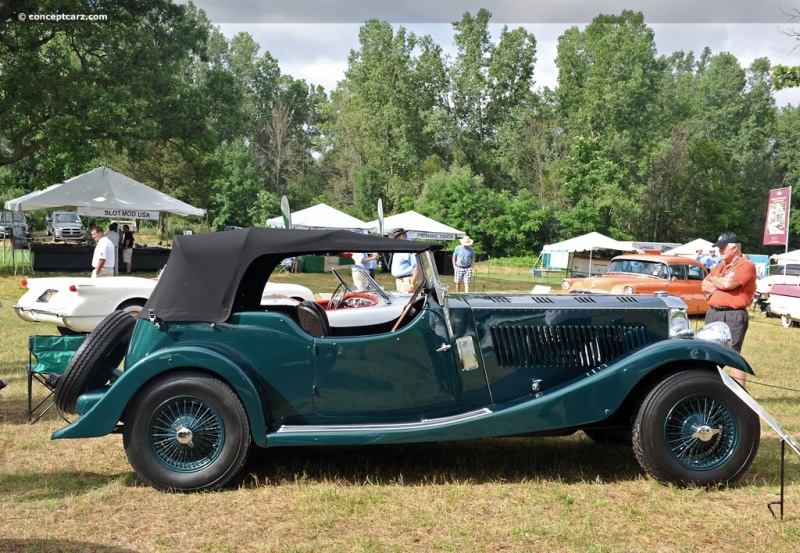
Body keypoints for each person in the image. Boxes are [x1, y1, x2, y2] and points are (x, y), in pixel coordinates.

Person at [702, 232, 756, 387]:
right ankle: (710, 387)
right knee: (708, 352)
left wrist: (714, 280)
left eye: (723, 247)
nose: (720, 250)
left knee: (732, 355)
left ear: (734, 248)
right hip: (713, 312)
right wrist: (717, 280)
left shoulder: (746, 265)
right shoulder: (720, 266)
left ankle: (739, 394)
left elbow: (728, 285)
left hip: (733, 315)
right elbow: (704, 285)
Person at [390, 228, 418, 293]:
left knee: (407, 301)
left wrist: (412, 285)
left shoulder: (410, 247)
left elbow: (417, 267)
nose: (394, 240)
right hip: (401, 281)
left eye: (396, 238)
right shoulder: (400, 247)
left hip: (407, 281)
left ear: (403, 236)